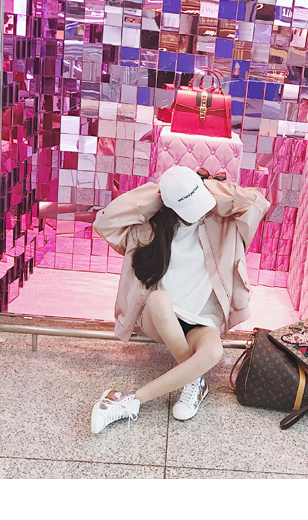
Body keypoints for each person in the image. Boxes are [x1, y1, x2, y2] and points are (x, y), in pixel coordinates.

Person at [89, 165, 270, 434]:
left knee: (213, 352)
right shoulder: (148, 228)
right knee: (159, 299)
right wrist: (160, 195)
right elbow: (105, 221)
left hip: (202, 319)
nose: (200, 210)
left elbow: (258, 201)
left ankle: (130, 400)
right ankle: (194, 378)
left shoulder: (225, 223)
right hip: (160, 317)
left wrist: (203, 188)